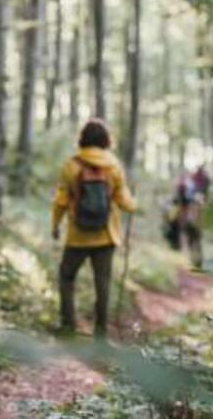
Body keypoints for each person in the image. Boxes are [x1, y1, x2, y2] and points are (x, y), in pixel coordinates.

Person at [51, 119, 138, 339]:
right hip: (106, 235)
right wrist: (134, 205)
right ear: (106, 140)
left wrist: (55, 225)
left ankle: (68, 326)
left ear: (82, 139)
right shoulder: (113, 166)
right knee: (103, 284)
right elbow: (124, 201)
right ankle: (100, 334)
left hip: (77, 236)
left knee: (66, 276)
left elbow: (61, 200)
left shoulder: (71, 165)